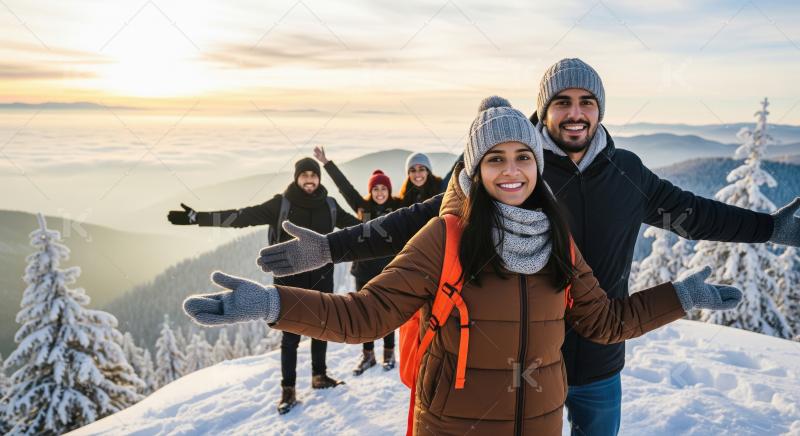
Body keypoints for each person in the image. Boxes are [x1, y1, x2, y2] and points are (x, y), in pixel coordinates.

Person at [256, 59, 800, 435]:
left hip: (599, 352)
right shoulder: (507, 172)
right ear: (544, 111)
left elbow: (697, 214)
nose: (575, 112)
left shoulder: (627, 173)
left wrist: (769, 231)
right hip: (505, 362)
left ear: (600, 109)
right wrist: (331, 247)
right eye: (561, 102)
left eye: (587, 101)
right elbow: (418, 222)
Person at [167, 157, 360, 415]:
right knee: (290, 338)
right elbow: (241, 217)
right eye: (304, 175)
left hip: (322, 279)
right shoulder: (281, 204)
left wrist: (388, 229)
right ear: (296, 178)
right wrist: (197, 218)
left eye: (313, 175)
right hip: (288, 283)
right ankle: (288, 391)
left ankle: (319, 376)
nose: (310, 179)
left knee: (321, 329)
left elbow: (358, 229)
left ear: (319, 178)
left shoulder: (330, 205)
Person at [312, 145, 404, 374]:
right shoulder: (362, 208)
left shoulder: (399, 209)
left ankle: (389, 354)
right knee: (365, 314)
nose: (380, 192)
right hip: (363, 271)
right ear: (371, 191)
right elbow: (345, 188)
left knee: (388, 313)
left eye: (384, 188)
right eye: (376, 189)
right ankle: (368, 355)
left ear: (389, 190)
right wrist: (327, 163)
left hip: (389, 270)